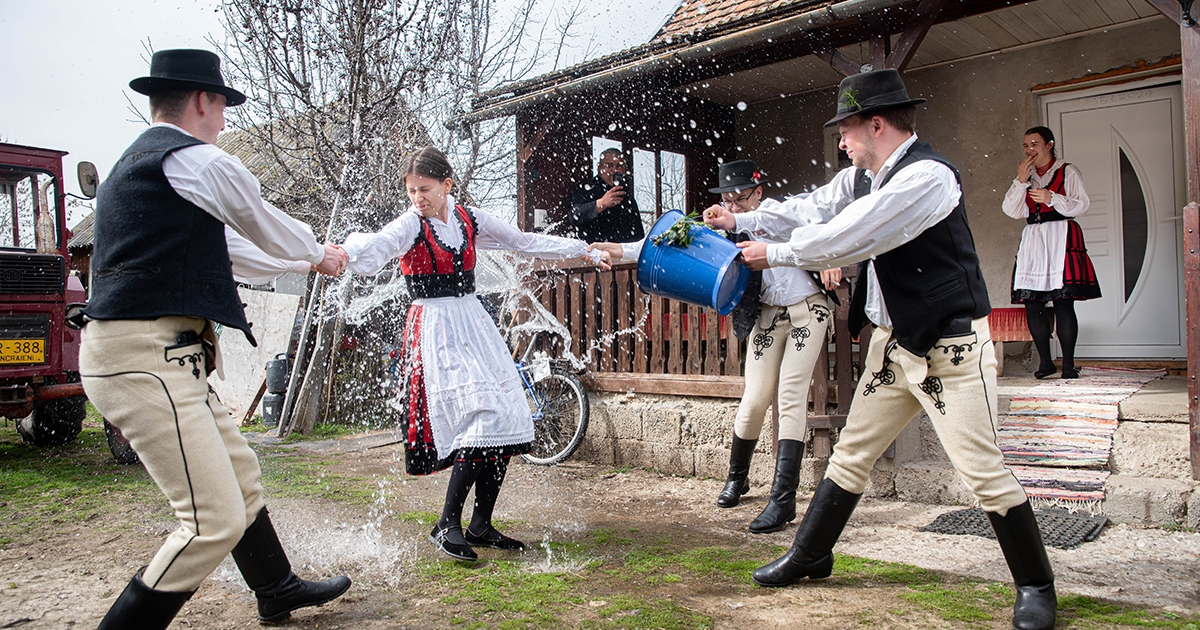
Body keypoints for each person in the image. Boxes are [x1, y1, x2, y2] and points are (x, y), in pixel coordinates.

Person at [704, 69, 1057, 630]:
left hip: (951, 352)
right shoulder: (863, 177)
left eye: (846, 130)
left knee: (983, 472)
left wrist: (774, 254)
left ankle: (1037, 585)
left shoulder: (928, 179)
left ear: (875, 124)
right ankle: (811, 553)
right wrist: (742, 218)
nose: (841, 143)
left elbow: (855, 234)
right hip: (891, 350)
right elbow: (813, 206)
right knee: (851, 454)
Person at [80, 49, 352, 629]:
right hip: (144, 360)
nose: (226, 119)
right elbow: (262, 220)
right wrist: (318, 251)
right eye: (223, 104)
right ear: (203, 100)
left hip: (166, 359)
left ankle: (275, 588)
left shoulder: (150, 170)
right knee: (211, 522)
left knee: (240, 476)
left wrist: (305, 266)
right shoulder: (195, 161)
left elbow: (226, 250)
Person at [339, 146, 611, 562]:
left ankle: (480, 523)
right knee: (480, 417)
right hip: (435, 328)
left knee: (509, 413)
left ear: (447, 184)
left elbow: (523, 242)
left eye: (425, 189)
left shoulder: (469, 219)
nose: (418, 198)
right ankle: (446, 523)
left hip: (473, 323)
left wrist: (585, 249)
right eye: (411, 190)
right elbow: (378, 245)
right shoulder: (410, 225)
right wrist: (343, 253)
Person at [1002, 126, 1099, 379]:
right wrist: (1020, 181)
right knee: (1034, 303)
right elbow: (1012, 211)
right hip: (1035, 238)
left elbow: (1082, 204)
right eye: (1025, 145)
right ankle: (1045, 363)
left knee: (1063, 302)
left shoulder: (1068, 171)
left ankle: (1067, 366)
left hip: (1061, 235)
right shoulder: (1027, 176)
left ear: (1049, 145)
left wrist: (1051, 197)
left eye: (1034, 143)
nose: (1029, 149)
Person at [568, 148, 646, 243]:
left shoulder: (628, 197)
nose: (615, 170)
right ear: (600, 168)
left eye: (619, 166)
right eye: (609, 165)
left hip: (622, 254)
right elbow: (574, 215)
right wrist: (601, 203)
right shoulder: (586, 189)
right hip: (593, 252)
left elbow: (639, 234)